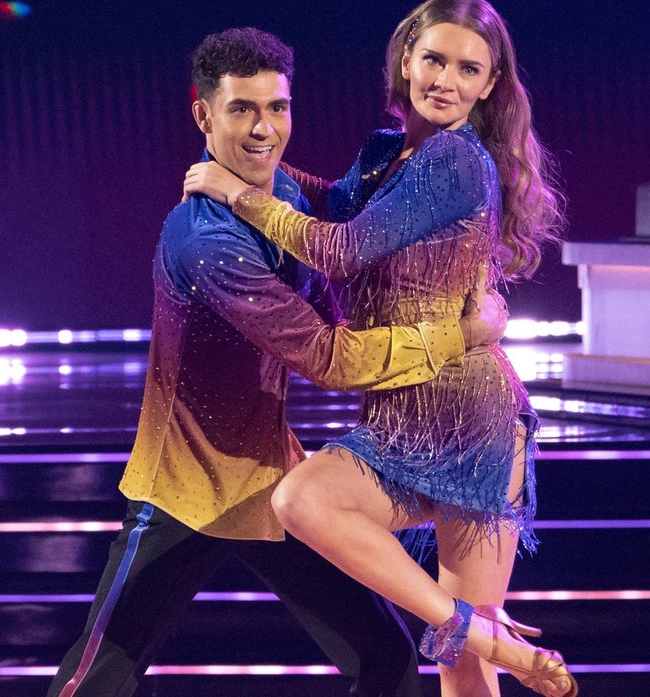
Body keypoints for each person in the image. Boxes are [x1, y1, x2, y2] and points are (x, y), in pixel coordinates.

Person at [47, 26, 508, 697]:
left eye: (278, 109)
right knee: (99, 677)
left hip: (271, 476)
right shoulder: (204, 238)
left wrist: (259, 183)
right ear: (203, 113)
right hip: (188, 486)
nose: (265, 129)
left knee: (387, 656)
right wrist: (462, 333)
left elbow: (337, 227)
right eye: (242, 110)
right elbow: (330, 354)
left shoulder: (279, 198)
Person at [182, 2, 575, 696]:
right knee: (306, 502)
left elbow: (341, 249)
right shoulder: (384, 150)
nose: (446, 80)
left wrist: (237, 193)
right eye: (434, 59)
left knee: (462, 666)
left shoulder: (454, 160)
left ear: (489, 85)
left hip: (474, 420)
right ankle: (474, 626)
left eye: (468, 69)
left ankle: (473, 632)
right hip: (402, 418)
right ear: (404, 60)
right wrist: (253, 163)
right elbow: (332, 206)